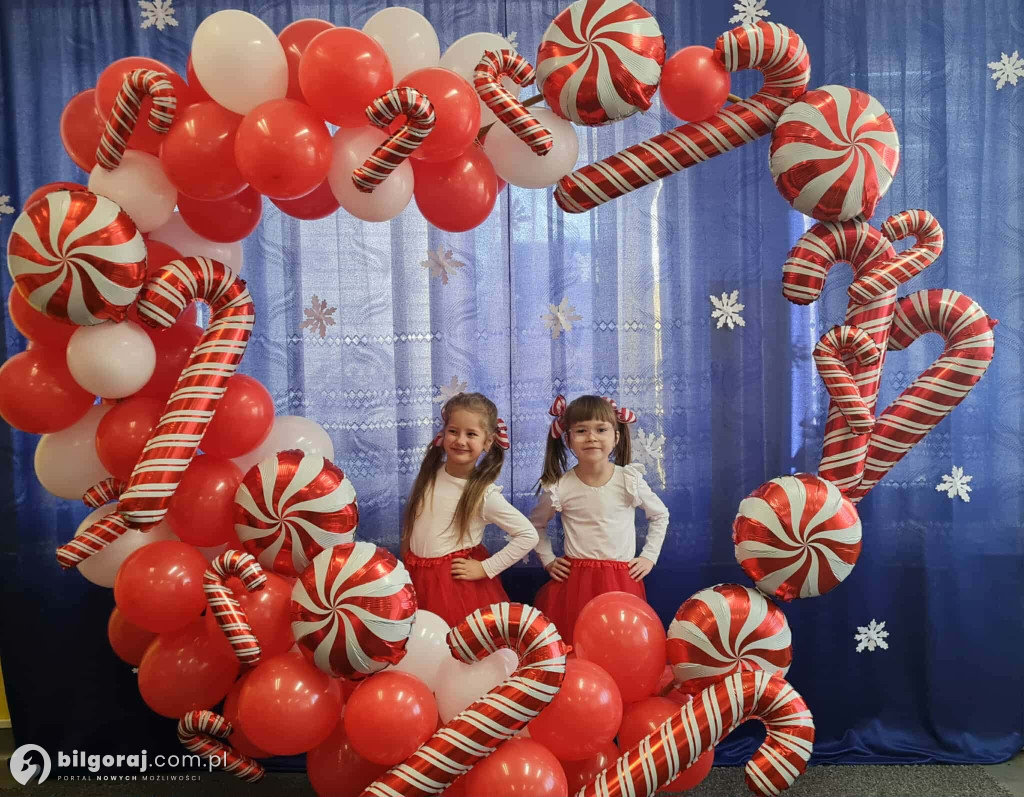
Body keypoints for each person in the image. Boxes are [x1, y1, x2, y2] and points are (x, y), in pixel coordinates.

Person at [531, 394, 668, 643]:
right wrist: (548, 559)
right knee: (579, 641)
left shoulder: (628, 480)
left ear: (615, 437)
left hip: (621, 581)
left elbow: (660, 515)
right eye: (581, 430)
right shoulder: (560, 487)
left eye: (601, 429)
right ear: (568, 439)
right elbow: (536, 525)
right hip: (577, 584)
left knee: (621, 642)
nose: (592, 437)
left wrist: (649, 556)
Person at [401, 392, 538, 628]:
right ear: (443, 434)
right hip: (418, 579)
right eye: (454, 431)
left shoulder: (483, 494)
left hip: (455, 587)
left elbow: (528, 535)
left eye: (471, 434)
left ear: (487, 442)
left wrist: (485, 568)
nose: (460, 440)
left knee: (455, 648)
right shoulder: (431, 473)